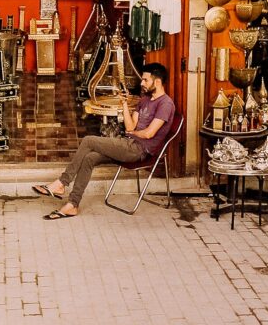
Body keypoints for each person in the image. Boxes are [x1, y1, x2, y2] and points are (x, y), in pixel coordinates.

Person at [39, 63, 179, 218]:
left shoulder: (165, 104)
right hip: (128, 144)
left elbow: (149, 134)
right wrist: (124, 103)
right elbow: (130, 126)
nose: (141, 83)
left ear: (157, 82)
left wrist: (133, 133)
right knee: (89, 158)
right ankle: (72, 204)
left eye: (145, 80)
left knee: (88, 140)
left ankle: (62, 183)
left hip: (138, 150)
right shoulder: (144, 100)